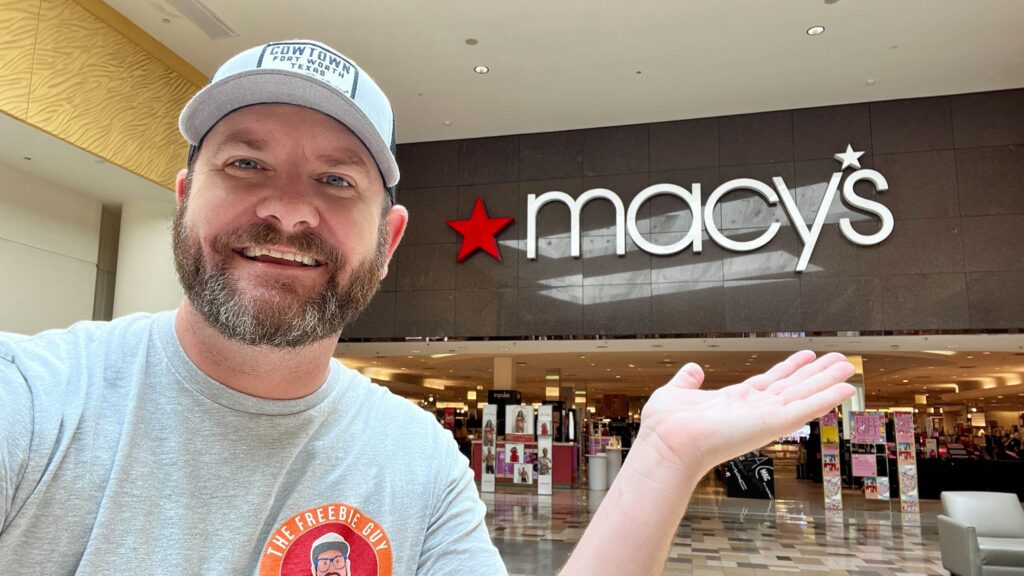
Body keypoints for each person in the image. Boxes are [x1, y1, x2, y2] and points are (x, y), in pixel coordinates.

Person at [0, 39, 856, 575]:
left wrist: (662, 462)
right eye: (246, 164)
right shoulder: (35, 402)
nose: (289, 212)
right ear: (187, 196)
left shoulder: (417, 460)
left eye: (336, 180)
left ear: (390, 238)